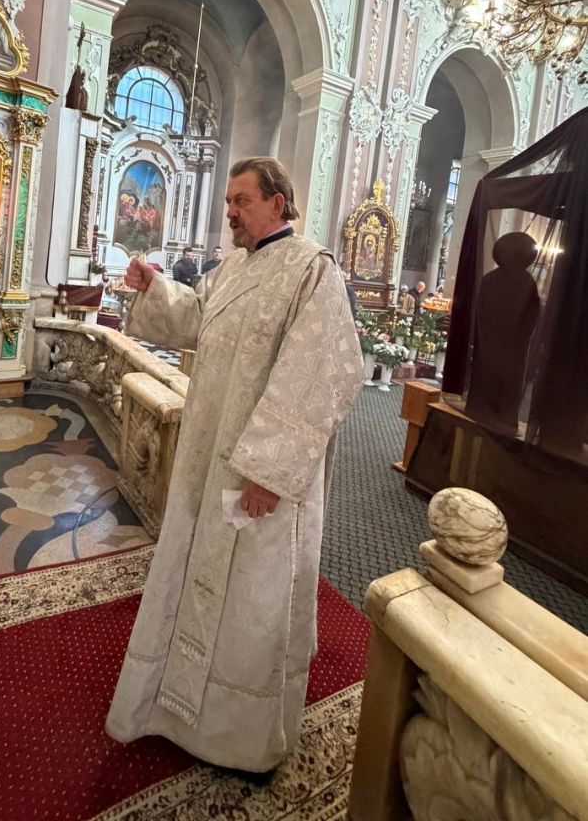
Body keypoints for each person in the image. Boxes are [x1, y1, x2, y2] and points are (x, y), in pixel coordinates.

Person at [106, 156, 363, 772]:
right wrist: (154, 289)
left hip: (258, 475)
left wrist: (269, 472)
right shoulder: (232, 267)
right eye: (228, 202)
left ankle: (237, 736)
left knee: (251, 594)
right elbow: (198, 319)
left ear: (278, 203)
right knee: (194, 573)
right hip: (208, 457)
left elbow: (324, 373)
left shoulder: (313, 270)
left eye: (241, 201)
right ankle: (174, 710)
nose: (230, 212)